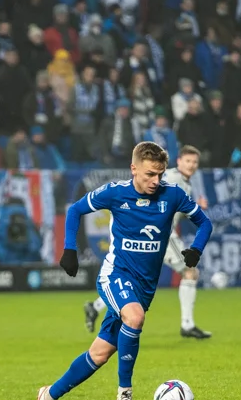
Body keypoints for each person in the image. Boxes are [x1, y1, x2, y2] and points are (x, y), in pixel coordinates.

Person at [29, 142, 213, 400]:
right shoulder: (115, 192)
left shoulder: (173, 195)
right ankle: (124, 393)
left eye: (160, 175)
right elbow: (75, 210)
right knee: (135, 317)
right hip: (115, 274)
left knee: (99, 354)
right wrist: (69, 250)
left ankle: (48, 396)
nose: (156, 181)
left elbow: (205, 223)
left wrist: (196, 249)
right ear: (134, 168)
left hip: (144, 287)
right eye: (150, 174)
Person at [82, 145, 212, 339]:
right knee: (190, 272)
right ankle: (187, 325)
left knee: (134, 281)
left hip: (156, 234)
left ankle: (95, 306)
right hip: (161, 237)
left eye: (194, 162)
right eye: (188, 161)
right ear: (179, 161)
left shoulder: (181, 181)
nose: (191, 165)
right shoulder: (171, 178)